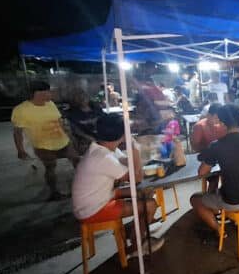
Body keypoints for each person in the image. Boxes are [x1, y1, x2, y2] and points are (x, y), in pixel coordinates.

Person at [72, 114, 164, 256]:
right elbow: (137, 178)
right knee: (150, 204)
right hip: (92, 208)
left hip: (99, 196)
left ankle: (136, 229)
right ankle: (137, 245)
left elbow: (126, 162)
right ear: (122, 135)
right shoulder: (104, 157)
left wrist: (135, 155)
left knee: (146, 192)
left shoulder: (102, 148)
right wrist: (134, 148)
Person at [190, 104, 239, 238]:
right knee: (234, 186)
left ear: (222, 123)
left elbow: (202, 173)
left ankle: (219, 230)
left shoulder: (216, 146)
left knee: (195, 199)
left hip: (233, 201)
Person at [12, 81, 79, 200]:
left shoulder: (50, 104)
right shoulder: (21, 110)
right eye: (49, 91)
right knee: (50, 168)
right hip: (43, 145)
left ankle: (83, 184)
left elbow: (59, 122)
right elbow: (17, 132)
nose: (51, 93)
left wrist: (69, 136)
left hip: (62, 141)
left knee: (77, 160)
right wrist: (20, 150)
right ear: (38, 93)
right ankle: (54, 192)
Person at [190, 103, 226, 192]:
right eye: (215, 117)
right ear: (208, 115)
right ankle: (210, 198)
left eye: (220, 118)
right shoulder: (199, 126)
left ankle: (226, 196)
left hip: (222, 157)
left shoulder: (223, 124)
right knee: (214, 178)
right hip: (206, 157)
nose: (217, 121)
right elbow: (195, 147)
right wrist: (210, 149)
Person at [66, 88, 104, 155]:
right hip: (86, 141)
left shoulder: (96, 108)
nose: (82, 98)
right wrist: (91, 139)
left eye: (83, 95)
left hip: (103, 137)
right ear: (74, 100)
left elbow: (105, 120)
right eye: (78, 97)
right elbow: (76, 130)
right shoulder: (72, 114)